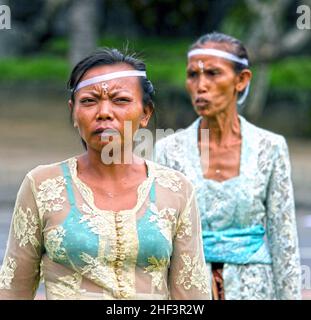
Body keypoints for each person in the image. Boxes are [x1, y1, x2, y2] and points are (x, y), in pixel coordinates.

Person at [0, 48, 210, 300]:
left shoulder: (176, 190)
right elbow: (13, 291)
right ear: (74, 112)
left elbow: (191, 297)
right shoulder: (42, 185)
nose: (104, 112)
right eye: (89, 101)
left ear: (145, 114)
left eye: (120, 100)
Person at [154, 32, 301, 300]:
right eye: (193, 76)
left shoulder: (270, 147)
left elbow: (284, 241)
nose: (201, 85)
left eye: (213, 74)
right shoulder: (168, 150)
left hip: (256, 290)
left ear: (241, 80)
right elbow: (161, 241)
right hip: (189, 292)